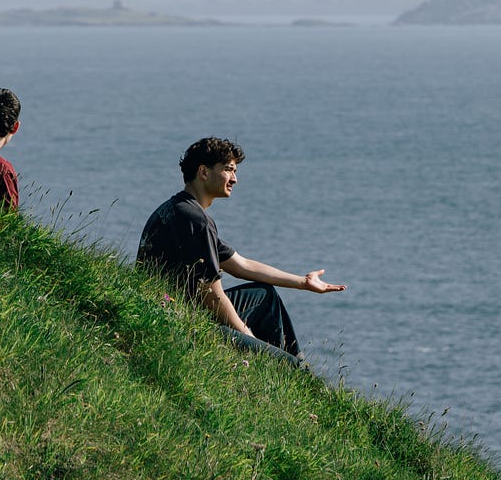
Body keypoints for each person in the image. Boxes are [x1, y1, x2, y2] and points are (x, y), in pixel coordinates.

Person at [136, 137, 345, 361]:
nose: (234, 179)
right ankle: (294, 371)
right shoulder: (196, 220)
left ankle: (292, 366)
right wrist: (248, 336)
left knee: (264, 295)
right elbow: (211, 294)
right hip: (182, 321)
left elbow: (241, 265)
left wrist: (303, 282)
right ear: (203, 172)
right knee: (286, 363)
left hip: (165, 311)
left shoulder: (177, 209)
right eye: (228, 170)